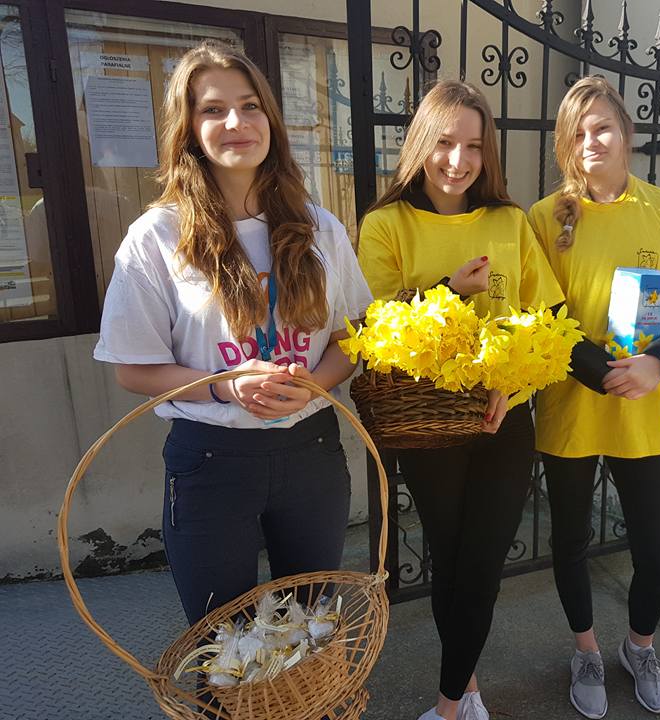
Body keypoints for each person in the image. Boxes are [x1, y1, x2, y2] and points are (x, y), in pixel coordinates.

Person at [93, 40, 372, 630]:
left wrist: (312, 384)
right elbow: (133, 369)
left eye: (250, 106)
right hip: (212, 461)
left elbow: (353, 336)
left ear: (270, 118)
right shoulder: (156, 237)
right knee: (223, 644)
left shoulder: (318, 227)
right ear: (189, 129)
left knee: (311, 630)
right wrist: (226, 386)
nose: (236, 123)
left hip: (312, 452)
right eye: (213, 109)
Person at [358, 80, 565, 720]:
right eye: (444, 142)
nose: (458, 160)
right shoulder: (385, 225)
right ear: (421, 143)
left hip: (504, 419)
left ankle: (447, 706)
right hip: (428, 422)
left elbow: (547, 320)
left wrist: (514, 383)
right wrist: (448, 289)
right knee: (449, 559)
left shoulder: (510, 222)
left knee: (482, 563)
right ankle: (465, 689)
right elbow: (374, 329)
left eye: (473, 146)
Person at [527, 76, 660, 718]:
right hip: (572, 410)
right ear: (564, 144)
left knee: (658, 557)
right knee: (571, 544)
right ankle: (585, 651)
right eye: (576, 133)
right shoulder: (544, 219)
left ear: (626, 132)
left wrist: (657, 364)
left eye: (601, 127)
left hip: (641, 412)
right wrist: (601, 371)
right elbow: (545, 318)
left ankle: (639, 647)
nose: (591, 142)